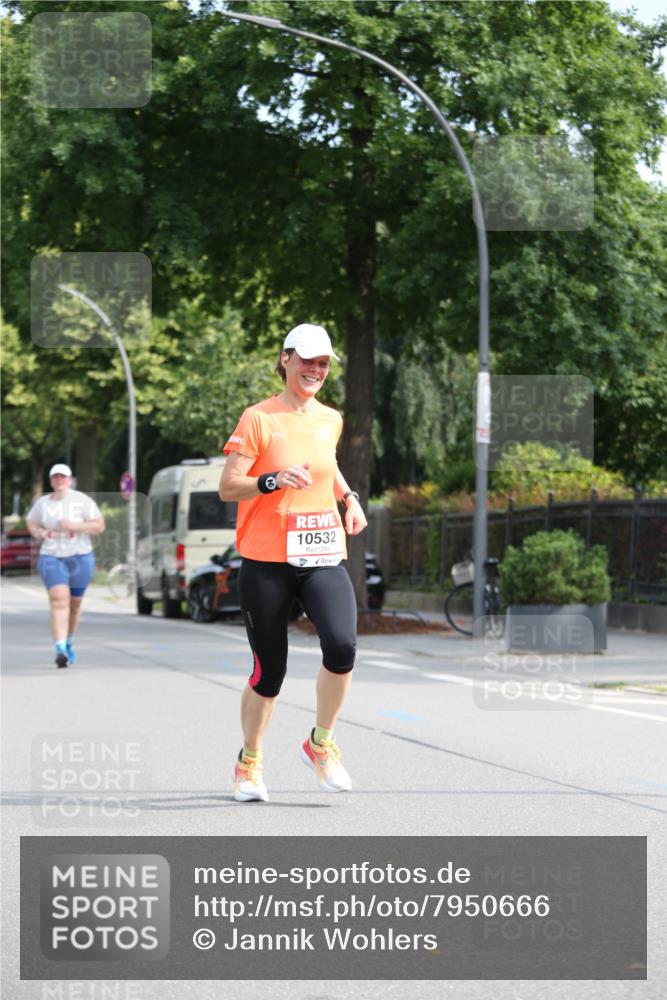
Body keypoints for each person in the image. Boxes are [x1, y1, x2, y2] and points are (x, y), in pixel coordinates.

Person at [219, 323, 367, 802]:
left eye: (323, 363)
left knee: (342, 645)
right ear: (285, 359)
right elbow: (228, 486)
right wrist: (271, 480)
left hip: (322, 553)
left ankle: (321, 744)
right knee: (270, 672)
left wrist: (350, 498)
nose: (316, 370)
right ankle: (249, 763)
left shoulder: (331, 419)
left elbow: (328, 462)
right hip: (266, 560)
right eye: (307, 360)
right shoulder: (258, 418)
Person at [26, 463, 105, 668]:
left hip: (80, 556)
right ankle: (60, 648)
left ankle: (69, 640)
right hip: (51, 556)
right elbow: (31, 522)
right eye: (56, 477)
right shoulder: (43, 503)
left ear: (70, 480)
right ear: (51, 481)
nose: (59, 480)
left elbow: (99, 526)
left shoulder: (82, 501)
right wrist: (39, 533)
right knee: (59, 599)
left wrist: (75, 526)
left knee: (75, 604)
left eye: (63, 477)